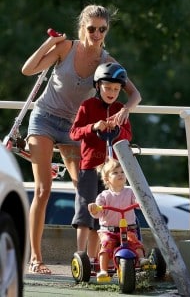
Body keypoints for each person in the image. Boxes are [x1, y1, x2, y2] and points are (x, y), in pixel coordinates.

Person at [21, 4, 141, 274]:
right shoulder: (66, 48)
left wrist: (124, 110)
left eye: (102, 29)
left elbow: (135, 95)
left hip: (76, 126)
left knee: (87, 190)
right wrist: (50, 42)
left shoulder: (106, 61)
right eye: (91, 29)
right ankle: (36, 259)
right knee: (43, 189)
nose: (97, 34)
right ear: (82, 27)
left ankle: (95, 258)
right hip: (44, 118)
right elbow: (27, 70)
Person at [69, 62, 133, 262]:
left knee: (103, 215)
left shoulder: (120, 109)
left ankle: (94, 257)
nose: (111, 92)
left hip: (111, 171)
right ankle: (81, 254)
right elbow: (74, 133)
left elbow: (128, 136)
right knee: (85, 212)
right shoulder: (87, 106)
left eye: (116, 89)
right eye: (107, 88)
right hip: (89, 167)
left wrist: (117, 128)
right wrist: (92, 127)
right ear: (98, 86)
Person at [88, 158, 149, 278]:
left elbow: (137, 202)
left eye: (122, 172)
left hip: (128, 229)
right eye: (115, 173)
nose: (120, 174)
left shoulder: (130, 192)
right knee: (105, 246)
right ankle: (103, 270)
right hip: (108, 231)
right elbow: (98, 212)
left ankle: (141, 259)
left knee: (134, 242)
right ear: (107, 179)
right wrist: (95, 208)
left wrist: (141, 203)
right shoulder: (104, 196)